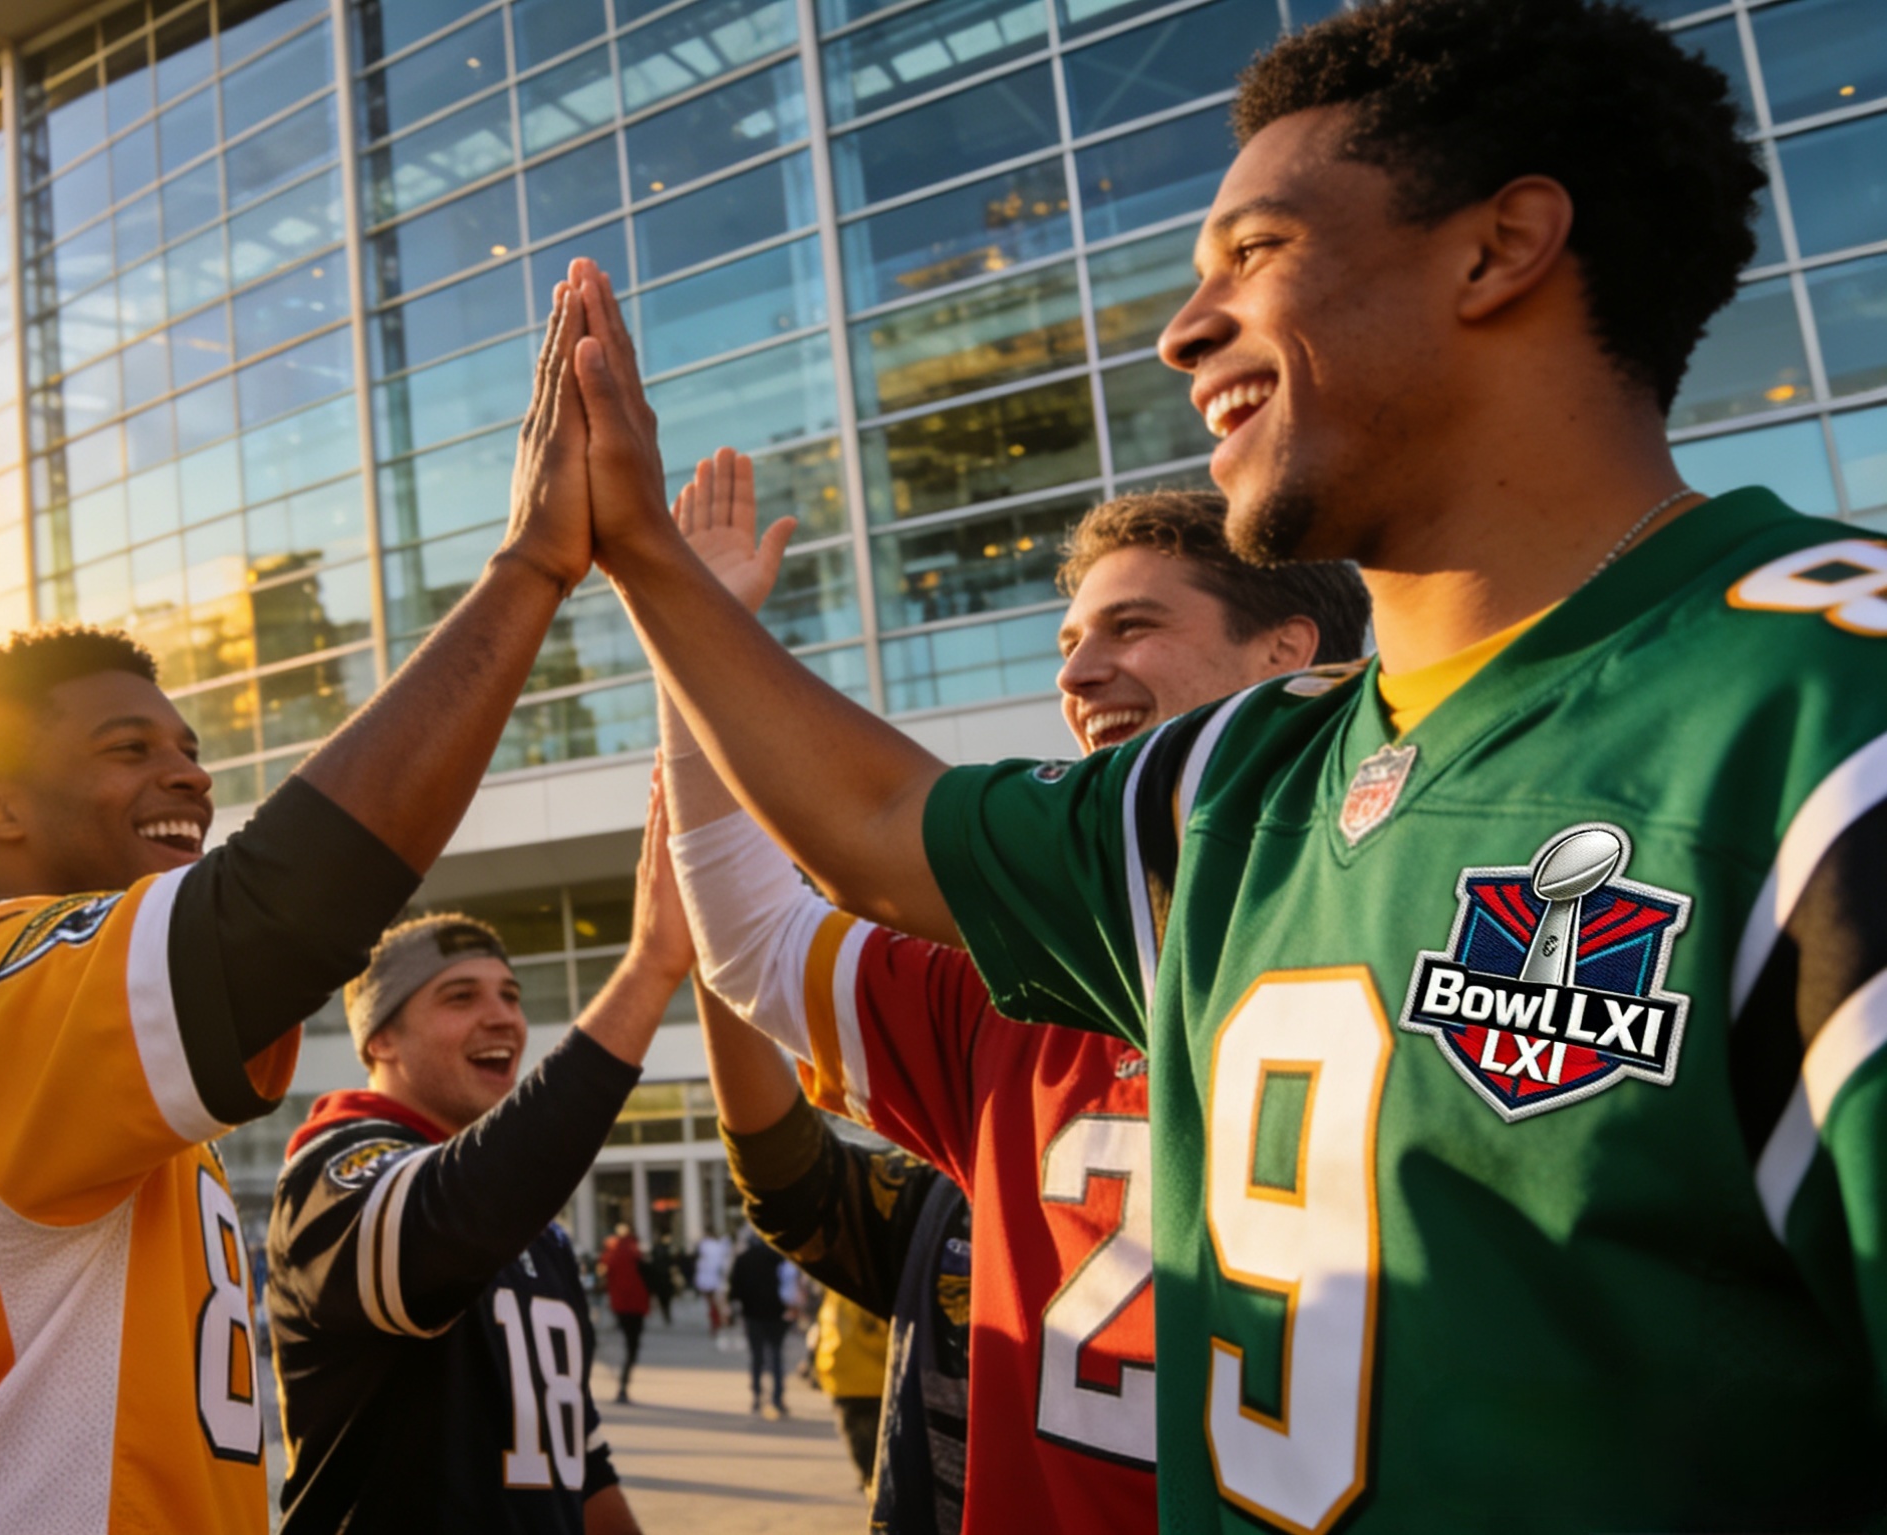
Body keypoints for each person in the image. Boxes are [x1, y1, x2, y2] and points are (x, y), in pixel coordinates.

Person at [570, 0, 1887, 1526]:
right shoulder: (1239, 776)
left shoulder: (1820, 708)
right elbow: (872, 824)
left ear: (1496, 246)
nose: (1182, 327)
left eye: (1250, 252)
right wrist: (646, 564)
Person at [0, 274, 616, 1532]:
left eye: (187, 742)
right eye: (126, 747)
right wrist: (535, 562)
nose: (188, 771)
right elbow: (285, 910)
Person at [676, 463, 1367, 1532]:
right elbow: (753, 936)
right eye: (1067, 644)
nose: (1079, 675)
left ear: (1287, 651)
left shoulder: (1431, 921)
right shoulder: (1024, 977)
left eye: (1131, 627)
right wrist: (694, 635)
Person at [268, 809, 690, 1533]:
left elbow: (578, 1468)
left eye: (511, 995)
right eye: (460, 997)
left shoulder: (538, 1227)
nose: (504, 1018)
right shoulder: (335, 1164)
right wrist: (649, 965)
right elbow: (444, 1224)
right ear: (382, 1039)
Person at [813, 1290, 890, 1488]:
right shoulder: (878, 1292)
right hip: (878, 1383)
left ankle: (870, 1482)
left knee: (862, 1445)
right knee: (883, 1447)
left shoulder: (835, 1293)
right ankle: (876, 1485)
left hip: (844, 1382)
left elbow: (824, 1335)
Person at [727, 1231, 797, 1418]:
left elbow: (734, 1289)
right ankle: (777, 1398)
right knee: (775, 1356)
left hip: (752, 1315)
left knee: (757, 1357)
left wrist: (737, 1308)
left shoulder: (743, 1259)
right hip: (776, 1314)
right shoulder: (778, 1258)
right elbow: (790, 1284)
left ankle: (757, 1396)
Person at [598, 1223, 651, 1398]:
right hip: (637, 1305)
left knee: (627, 1342)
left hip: (620, 1305)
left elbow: (603, 1274)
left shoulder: (611, 1253)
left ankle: (623, 1382)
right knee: (632, 1346)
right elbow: (648, 1277)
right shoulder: (636, 1252)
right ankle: (623, 1383)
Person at [694, 1228, 732, 1341]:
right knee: (716, 1303)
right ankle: (718, 1321)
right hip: (714, 1280)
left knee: (712, 1304)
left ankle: (716, 1322)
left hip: (709, 1280)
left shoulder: (706, 1247)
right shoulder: (718, 1247)